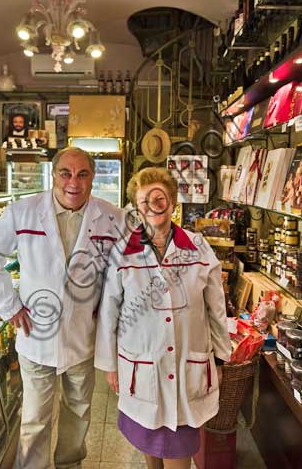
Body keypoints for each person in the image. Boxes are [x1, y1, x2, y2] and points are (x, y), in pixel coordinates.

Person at [0, 147, 126, 469]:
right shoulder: (24, 211)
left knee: (78, 411)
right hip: (36, 336)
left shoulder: (113, 217)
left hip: (83, 336)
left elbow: (123, 271)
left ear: (93, 177)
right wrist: (9, 305)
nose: (74, 182)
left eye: (83, 174)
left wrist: (109, 309)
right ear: (53, 175)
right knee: (35, 418)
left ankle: (70, 464)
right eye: (66, 173)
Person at [95, 167, 231, 469]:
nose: (153, 207)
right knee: (147, 441)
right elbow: (109, 313)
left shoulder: (197, 246)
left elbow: (216, 307)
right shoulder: (123, 252)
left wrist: (220, 358)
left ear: (172, 202)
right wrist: (109, 365)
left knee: (178, 443)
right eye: (144, 201)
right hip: (140, 365)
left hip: (187, 366)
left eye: (160, 198)